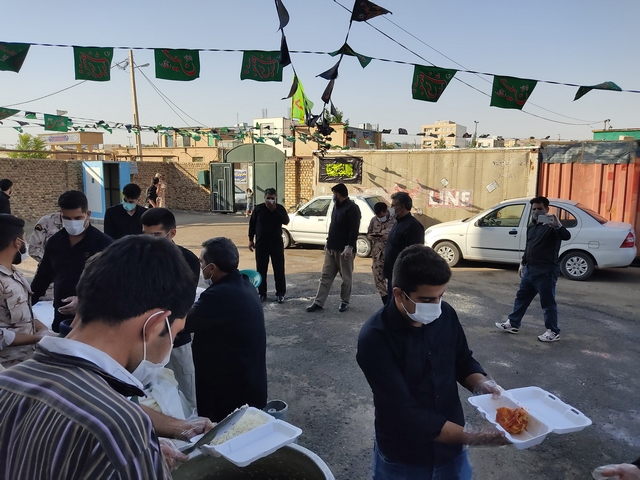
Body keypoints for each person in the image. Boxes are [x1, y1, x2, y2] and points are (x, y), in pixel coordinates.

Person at [0, 235, 201, 478]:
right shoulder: (120, 429)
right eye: (174, 333)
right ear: (155, 325)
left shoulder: (7, 382)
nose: (170, 345)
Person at [357, 245, 509, 479]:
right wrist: (477, 436)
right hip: (405, 456)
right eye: (427, 299)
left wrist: (483, 384)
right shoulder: (375, 339)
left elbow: (462, 360)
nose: (436, 305)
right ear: (399, 294)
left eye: (440, 296)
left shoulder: (445, 314)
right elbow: (405, 413)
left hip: (452, 452)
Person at [184, 237, 267, 422]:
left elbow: (183, 323)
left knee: (223, 433)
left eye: (202, 263)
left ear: (212, 267)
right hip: (249, 382)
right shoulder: (245, 283)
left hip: (230, 392)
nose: (201, 267)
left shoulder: (219, 295)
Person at [142, 207, 200, 415]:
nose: (150, 241)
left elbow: (184, 302)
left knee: (185, 386)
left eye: (156, 235)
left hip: (176, 337)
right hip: (144, 339)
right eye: (145, 235)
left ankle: (190, 424)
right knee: (150, 392)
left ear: (172, 233)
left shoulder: (188, 260)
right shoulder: (138, 258)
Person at [31, 191, 113, 332]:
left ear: (88, 214)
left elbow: (113, 285)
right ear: (60, 215)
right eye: (67, 218)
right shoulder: (55, 242)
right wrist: (26, 304)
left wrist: (83, 300)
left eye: (77, 218)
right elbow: (43, 277)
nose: (73, 223)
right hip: (61, 314)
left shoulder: (104, 244)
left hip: (92, 319)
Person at [495, 196, 571, 342]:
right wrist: (523, 263)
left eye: (540, 209)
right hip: (530, 269)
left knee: (547, 303)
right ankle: (513, 323)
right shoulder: (532, 225)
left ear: (547, 209)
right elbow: (528, 246)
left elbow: (566, 236)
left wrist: (558, 226)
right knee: (521, 298)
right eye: (534, 209)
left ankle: (553, 331)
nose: (536, 211)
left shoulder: (552, 226)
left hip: (546, 271)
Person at [0, 214, 52, 369]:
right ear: (17, 242)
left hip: (27, 359)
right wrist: (37, 338)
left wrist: (44, 330)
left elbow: (25, 312)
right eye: (24, 238)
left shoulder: (14, 272)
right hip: (7, 367)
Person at [306, 183, 361, 313]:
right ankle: (318, 302)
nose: (333, 196)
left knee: (346, 278)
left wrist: (350, 246)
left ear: (338, 194)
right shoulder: (337, 206)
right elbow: (333, 225)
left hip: (344, 250)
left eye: (334, 194)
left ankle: (344, 301)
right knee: (325, 276)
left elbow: (354, 229)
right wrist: (328, 241)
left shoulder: (352, 208)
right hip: (331, 247)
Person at [248, 187, 290, 303]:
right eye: (268, 198)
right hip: (261, 244)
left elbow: (286, 221)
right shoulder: (258, 209)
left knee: (279, 269)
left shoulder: (279, 208)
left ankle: (280, 293)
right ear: (264, 198)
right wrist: (250, 239)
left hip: (276, 243)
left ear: (275, 198)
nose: (270, 200)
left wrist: (274, 210)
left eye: (272, 198)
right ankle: (262, 293)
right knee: (261, 269)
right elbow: (252, 225)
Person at [383, 191, 425, 302]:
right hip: (392, 275)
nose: (391, 208)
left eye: (393, 205)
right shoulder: (397, 223)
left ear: (402, 207)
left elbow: (414, 255)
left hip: (402, 277)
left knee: (399, 305)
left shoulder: (413, 226)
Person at [367, 202, 396, 305]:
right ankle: (385, 302)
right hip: (377, 255)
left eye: (380, 215)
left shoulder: (394, 221)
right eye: (377, 215)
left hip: (390, 255)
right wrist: (372, 236)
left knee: (392, 280)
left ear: (385, 211)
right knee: (378, 279)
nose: (379, 217)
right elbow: (369, 233)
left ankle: (393, 302)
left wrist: (388, 237)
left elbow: (398, 237)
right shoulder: (374, 220)